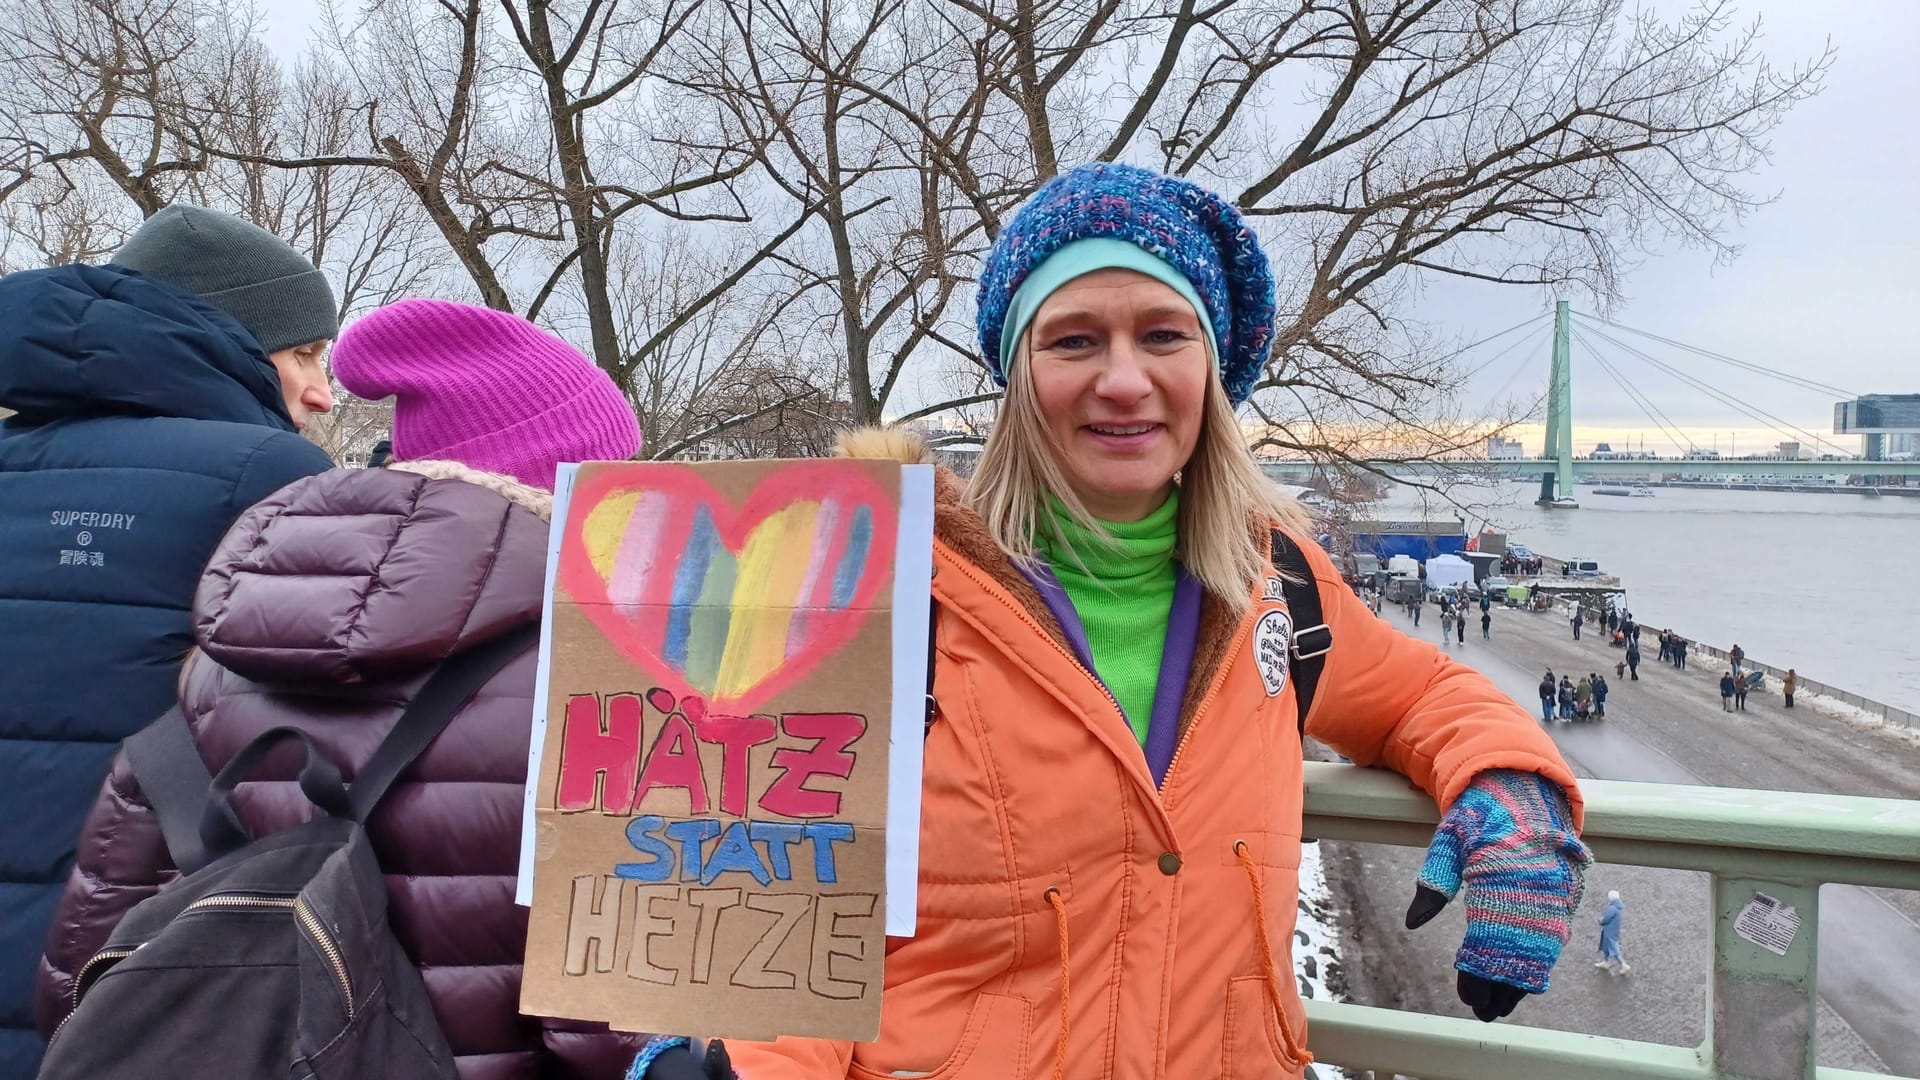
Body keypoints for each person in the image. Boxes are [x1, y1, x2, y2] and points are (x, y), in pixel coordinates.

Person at [636, 163, 1593, 1079]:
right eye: (1075, 340)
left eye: (1165, 336)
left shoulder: (1279, 586)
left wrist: (1510, 793)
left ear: (1214, 373)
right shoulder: (874, 586)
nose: (1125, 380)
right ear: (1017, 375)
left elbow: (1418, 694)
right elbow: (774, 919)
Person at [37, 299, 646, 1074]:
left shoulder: (219, 662)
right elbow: (607, 1031)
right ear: (569, 483)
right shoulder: (597, 686)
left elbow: (82, 977)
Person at [0, 204, 339, 1073]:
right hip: (132, 982)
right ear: (220, 336)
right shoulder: (270, 475)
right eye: (302, 353)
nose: (322, 391)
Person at [1595, 890, 1629, 975]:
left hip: (1609, 931)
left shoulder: (1612, 908)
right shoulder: (1618, 907)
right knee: (1606, 946)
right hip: (1613, 931)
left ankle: (1623, 965)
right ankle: (1606, 962)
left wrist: (1600, 920)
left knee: (1614, 948)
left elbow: (1606, 919)